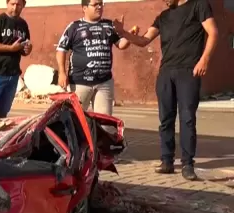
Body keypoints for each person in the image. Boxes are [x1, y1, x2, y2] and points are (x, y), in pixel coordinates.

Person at [116, 0, 218, 181]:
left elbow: (213, 32)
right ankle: (167, 161)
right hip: (166, 73)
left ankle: (187, 164)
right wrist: (123, 33)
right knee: (165, 119)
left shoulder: (198, 5)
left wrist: (204, 60)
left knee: (187, 118)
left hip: (188, 71)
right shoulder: (163, 17)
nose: (164, 0)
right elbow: (144, 40)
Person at [55, 0, 130, 115]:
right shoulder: (74, 27)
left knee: (105, 124)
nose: (99, 7)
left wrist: (128, 35)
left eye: (101, 4)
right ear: (84, 8)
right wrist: (62, 72)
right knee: (75, 121)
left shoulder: (109, 25)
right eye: (95, 4)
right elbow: (61, 50)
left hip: (104, 82)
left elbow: (121, 44)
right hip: (79, 83)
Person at [0, 0, 32, 121]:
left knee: (4, 111)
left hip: (13, 75)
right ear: (7, 4)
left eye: (18, 4)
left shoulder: (23, 25)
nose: (15, 7)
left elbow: (24, 49)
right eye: (12, 4)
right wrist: (10, 48)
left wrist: (28, 49)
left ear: (23, 5)